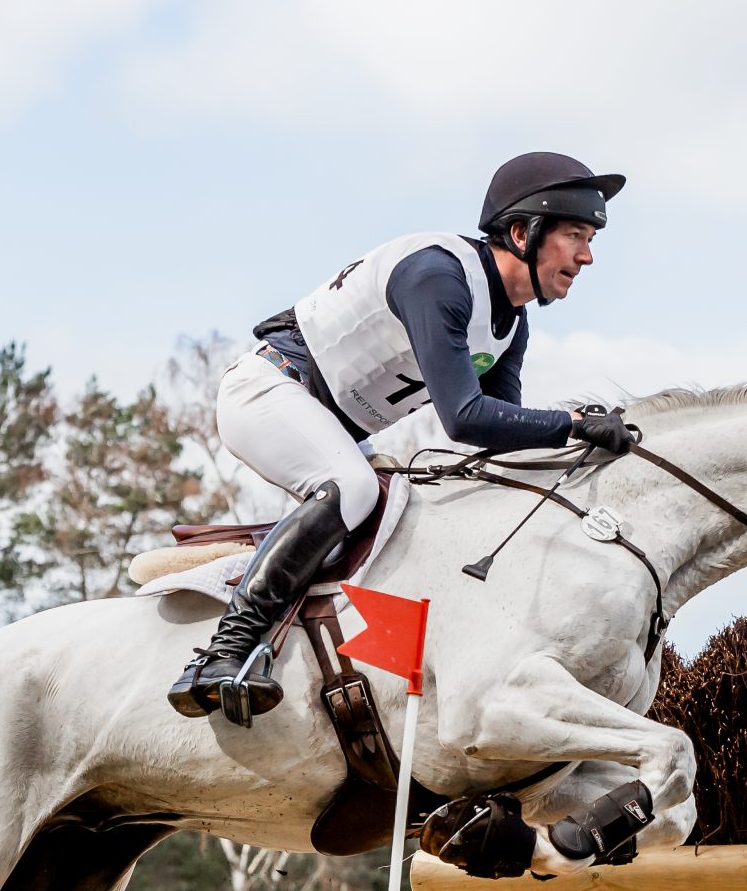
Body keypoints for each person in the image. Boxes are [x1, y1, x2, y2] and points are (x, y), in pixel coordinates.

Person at [168, 151, 636, 721]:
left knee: (412, 513)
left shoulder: (510, 320)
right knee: (354, 488)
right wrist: (573, 424)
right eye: (575, 236)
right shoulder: (439, 278)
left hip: (334, 424)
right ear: (521, 232)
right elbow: (465, 417)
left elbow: (500, 435)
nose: (587, 256)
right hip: (271, 391)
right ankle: (225, 652)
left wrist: (585, 450)